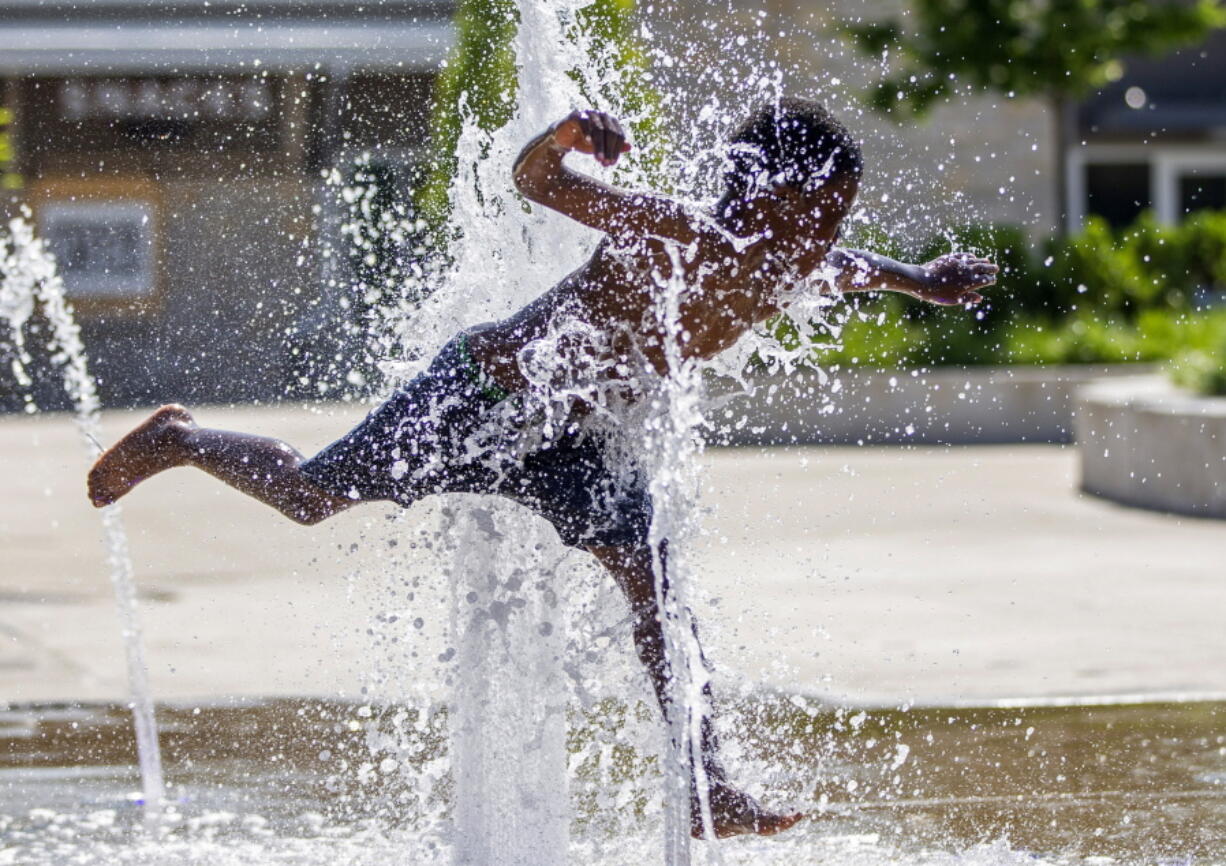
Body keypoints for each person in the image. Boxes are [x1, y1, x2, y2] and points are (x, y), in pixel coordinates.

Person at [87, 99, 997, 838]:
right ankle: (181, 438)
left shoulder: (786, 263)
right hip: (484, 398)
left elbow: (850, 269)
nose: (821, 236)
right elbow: (537, 183)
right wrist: (561, 139)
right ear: (756, 199)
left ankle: (705, 782)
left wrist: (920, 279)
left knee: (657, 585)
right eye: (810, 213)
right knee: (309, 496)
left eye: (833, 217)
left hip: (575, 441)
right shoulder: (674, 232)